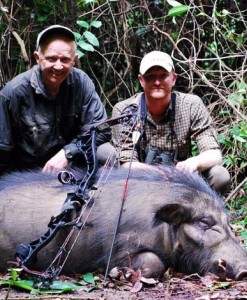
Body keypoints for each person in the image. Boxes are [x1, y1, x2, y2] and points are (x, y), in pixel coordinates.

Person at [0, 25, 116, 174]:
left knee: (106, 153)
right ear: (38, 58)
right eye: (51, 58)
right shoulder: (13, 93)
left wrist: (68, 152)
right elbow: (3, 151)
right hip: (30, 172)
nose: (58, 66)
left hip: (73, 163)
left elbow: (101, 130)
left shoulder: (81, 82)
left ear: (74, 60)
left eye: (65, 59)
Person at [112, 50, 230, 195]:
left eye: (163, 76)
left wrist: (193, 163)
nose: (157, 82)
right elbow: (126, 164)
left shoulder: (191, 105)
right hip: (140, 182)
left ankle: (197, 215)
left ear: (174, 78)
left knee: (220, 175)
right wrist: (163, 174)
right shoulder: (125, 110)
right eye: (150, 77)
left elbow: (214, 154)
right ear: (141, 81)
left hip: (182, 181)